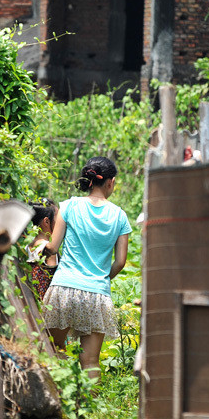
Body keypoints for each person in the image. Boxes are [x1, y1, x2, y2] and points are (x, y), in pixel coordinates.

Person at [40, 156, 131, 381]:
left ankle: (60, 402)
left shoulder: (69, 206)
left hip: (64, 289)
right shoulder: (120, 216)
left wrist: (39, 248)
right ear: (110, 182)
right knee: (90, 361)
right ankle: (89, 412)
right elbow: (120, 262)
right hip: (97, 295)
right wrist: (101, 278)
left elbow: (52, 248)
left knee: (53, 349)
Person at [26, 200, 58, 301]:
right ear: (46, 222)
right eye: (58, 218)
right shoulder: (49, 250)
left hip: (32, 303)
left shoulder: (27, 246)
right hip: (47, 306)